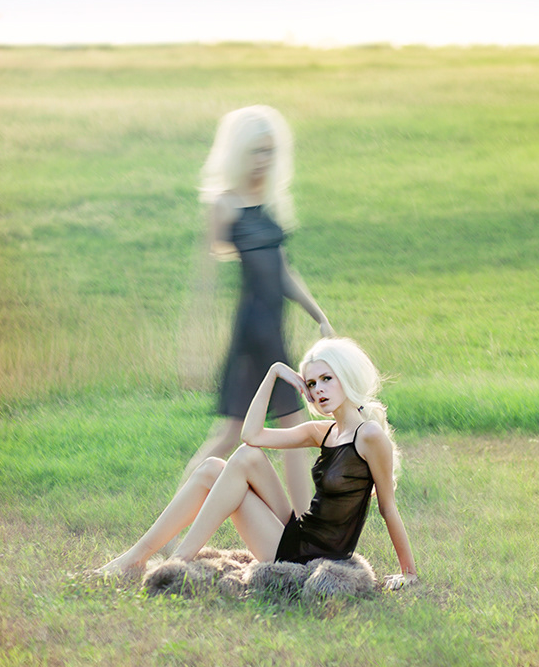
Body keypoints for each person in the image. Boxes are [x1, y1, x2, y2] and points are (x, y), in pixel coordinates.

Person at [97, 337, 417, 590]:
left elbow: (387, 507)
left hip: (309, 556)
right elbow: (251, 435)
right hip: (299, 533)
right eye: (311, 383)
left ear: (346, 376)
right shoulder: (324, 431)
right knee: (218, 465)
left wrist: (408, 572)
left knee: (237, 460)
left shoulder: (369, 436)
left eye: (326, 379)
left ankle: (178, 562)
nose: (318, 389)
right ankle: (136, 558)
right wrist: (274, 373)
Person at [179, 105, 332, 515]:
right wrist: (193, 345)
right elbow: (205, 281)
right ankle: (175, 521)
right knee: (230, 433)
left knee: (292, 429)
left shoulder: (267, 201)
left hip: (274, 331)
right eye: (256, 151)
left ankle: (302, 527)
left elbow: (283, 271)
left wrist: (318, 315)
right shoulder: (224, 205)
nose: (264, 159)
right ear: (238, 153)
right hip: (251, 334)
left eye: (270, 151)